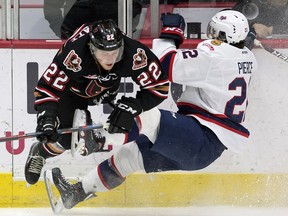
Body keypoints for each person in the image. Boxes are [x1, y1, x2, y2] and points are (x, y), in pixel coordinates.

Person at [44, 10, 258, 210]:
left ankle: (97, 139)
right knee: (128, 157)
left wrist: (170, 36)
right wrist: (243, 39)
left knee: (147, 116)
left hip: (201, 137)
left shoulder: (214, 56)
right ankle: (76, 193)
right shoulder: (248, 57)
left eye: (213, 31)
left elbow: (163, 65)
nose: (209, 36)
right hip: (202, 148)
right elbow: (234, 51)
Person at [24, 19, 169, 185]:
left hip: (105, 88)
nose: (110, 59)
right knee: (67, 139)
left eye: (115, 52)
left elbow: (160, 87)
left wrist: (134, 107)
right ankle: (41, 152)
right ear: (92, 49)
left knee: (123, 122)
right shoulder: (75, 54)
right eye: (104, 53)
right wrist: (47, 117)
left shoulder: (134, 53)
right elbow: (48, 88)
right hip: (73, 91)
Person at [60, 0, 143, 39]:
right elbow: (53, 10)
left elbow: (134, 8)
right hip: (77, 33)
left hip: (117, 22)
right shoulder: (77, 10)